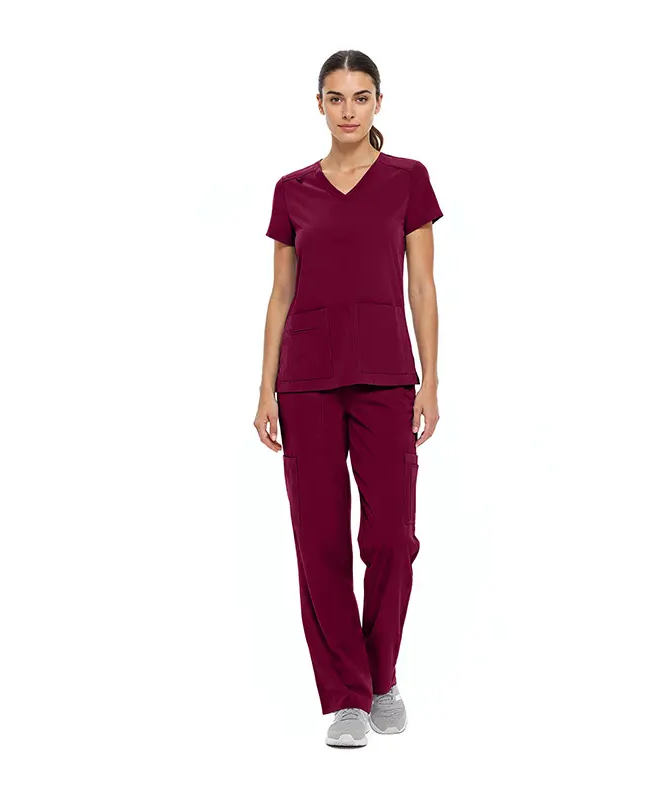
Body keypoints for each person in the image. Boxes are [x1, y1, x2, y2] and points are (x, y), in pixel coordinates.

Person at [254, 50, 443, 748]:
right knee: (320, 541)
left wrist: (430, 380)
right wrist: (265, 387)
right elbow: (280, 295)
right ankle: (348, 700)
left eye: (361, 97)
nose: (348, 111)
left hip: (387, 377)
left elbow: (422, 287)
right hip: (305, 381)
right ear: (319, 104)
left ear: (378, 103)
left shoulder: (407, 180)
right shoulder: (292, 190)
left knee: (391, 536)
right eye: (336, 98)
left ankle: (381, 674)